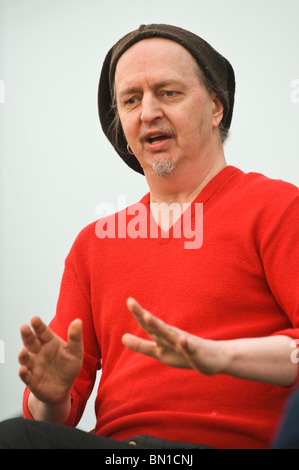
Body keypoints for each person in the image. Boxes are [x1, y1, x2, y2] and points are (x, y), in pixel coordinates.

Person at [0, 23, 298, 449]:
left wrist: (220, 356)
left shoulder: (278, 208)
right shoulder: (93, 245)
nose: (148, 112)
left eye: (168, 92)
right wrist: (51, 397)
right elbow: (57, 413)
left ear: (215, 107)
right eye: (131, 100)